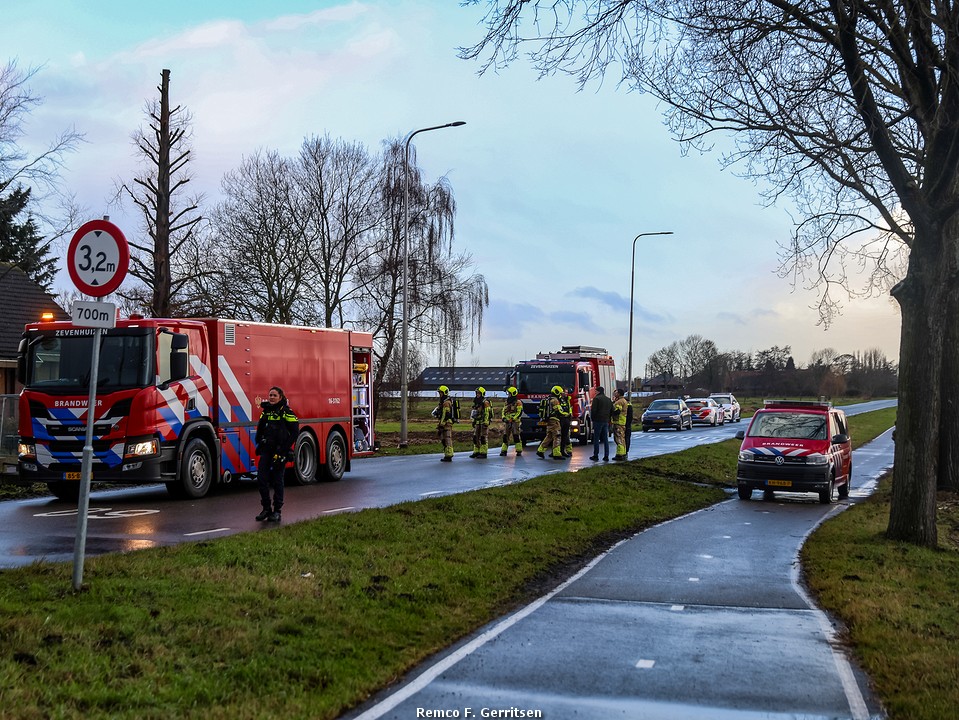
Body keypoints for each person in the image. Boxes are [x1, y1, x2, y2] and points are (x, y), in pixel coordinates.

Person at [254, 386, 299, 522]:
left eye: (274, 395)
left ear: (280, 397)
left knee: (278, 480)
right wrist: (259, 442)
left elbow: (295, 431)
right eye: (270, 395)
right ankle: (266, 509)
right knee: (261, 478)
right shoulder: (266, 411)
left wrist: (284, 449)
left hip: (280, 452)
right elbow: (261, 427)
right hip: (267, 450)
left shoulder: (286, 412)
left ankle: (277, 510)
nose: (271, 398)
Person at [536, 386, 565, 460]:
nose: (561, 395)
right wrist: (565, 414)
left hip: (548, 420)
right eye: (560, 393)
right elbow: (558, 410)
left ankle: (540, 450)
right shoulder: (555, 400)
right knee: (557, 436)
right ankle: (557, 454)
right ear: (557, 392)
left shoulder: (548, 399)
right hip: (554, 421)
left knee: (549, 436)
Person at [589, 386, 613, 462]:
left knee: (596, 438)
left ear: (598, 391)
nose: (595, 392)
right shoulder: (608, 400)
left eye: (595, 391)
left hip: (598, 420)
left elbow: (593, 410)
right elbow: (612, 410)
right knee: (605, 439)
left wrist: (593, 419)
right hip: (606, 420)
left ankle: (596, 455)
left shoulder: (596, 399)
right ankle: (606, 455)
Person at [469, 386, 494, 458]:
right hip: (477, 422)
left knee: (483, 437)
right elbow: (474, 413)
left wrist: (486, 422)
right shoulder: (476, 402)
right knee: (475, 437)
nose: (477, 395)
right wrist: (473, 421)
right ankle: (476, 451)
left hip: (483, 422)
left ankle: (483, 452)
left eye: (479, 393)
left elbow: (487, 413)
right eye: (477, 393)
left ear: (482, 394)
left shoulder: (485, 402)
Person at [500, 386, 524, 456]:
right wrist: (504, 418)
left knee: (516, 435)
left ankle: (519, 450)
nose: (509, 395)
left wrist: (513, 418)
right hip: (507, 421)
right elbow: (503, 411)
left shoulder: (518, 402)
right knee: (505, 436)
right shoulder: (507, 402)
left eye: (510, 393)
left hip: (515, 422)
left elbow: (519, 412)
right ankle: (504, 450)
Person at [434, 385, 455, 462]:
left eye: (441, 393)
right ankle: (447, 454)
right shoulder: (443, 402)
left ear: (445, 393)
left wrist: (441, 424)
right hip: (443, 423)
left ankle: (449, 455)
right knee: (443, 439)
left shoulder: (446, 402)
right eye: (439, 393)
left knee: (447, 439)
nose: (440, 394)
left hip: (447, 423)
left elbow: (445, 414)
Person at [610, 388, 629, 461]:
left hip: (618, 421)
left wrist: (611, 411)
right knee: (622, 438)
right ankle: (623, 453)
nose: (615, 393)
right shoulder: (624, 400)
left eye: (616, 392)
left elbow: (617, 411)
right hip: (622, 421)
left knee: (618, 438)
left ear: (619, 394)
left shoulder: (619, 402)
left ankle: (619, 454)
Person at [556, 386, 574, 457]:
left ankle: (564, 450)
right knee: (558, 436)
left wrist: (569, 415)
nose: (566, 394)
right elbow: (559, 410)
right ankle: (557, 451)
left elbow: (569, 408)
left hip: (566, 419)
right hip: (561, 419)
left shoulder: (567, 400)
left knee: (566, 436)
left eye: (567, 392)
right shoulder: (558, 400)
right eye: (565, 392)